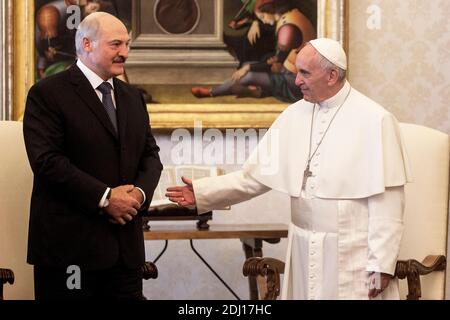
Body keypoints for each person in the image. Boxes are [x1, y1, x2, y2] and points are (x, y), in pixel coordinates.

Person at [167, 38, 412, 300]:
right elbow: (254, 178)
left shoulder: (375, 119)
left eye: (305, 73)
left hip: (351, 251)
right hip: (303, 248)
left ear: (331, 75)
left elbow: (388, 202)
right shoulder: (293, 116)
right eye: (297, 72)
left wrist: (381, 265)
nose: (296, 81)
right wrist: (203, 192)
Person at [23, 12, 163, 300]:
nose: (124, 53)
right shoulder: (47, 93)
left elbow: (150, 156)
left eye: (127, 45)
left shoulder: (132, 97)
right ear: (87, 44)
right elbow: (46, 161)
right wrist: (106, 198)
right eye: (116, 44)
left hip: (125, 254)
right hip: (69, 253)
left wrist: (137, 194)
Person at [191, 0, 315, 103]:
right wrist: (252, 22)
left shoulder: (287, 29)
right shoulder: (291, 16)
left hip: (296, 82)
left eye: (261, 16)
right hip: (291, 72)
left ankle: (211, 92)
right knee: (247, 67)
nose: (263, 20)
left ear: (270, 10)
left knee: (248, 75)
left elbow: (275, 65)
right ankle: (254, 89)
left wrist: (249, 68)